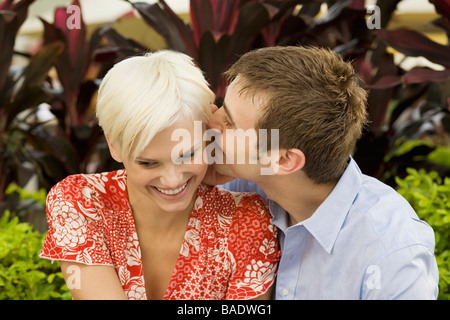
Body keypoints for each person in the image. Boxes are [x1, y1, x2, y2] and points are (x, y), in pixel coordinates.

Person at [40, 50, 280, 300]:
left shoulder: (248, 219)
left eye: (188, 155)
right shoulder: (82, 201)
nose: (173, 180)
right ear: (114, 146)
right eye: (148, 163)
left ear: (208, 134)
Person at [207, 45, 439, 299]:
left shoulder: (392, 256)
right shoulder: (236, 185)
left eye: (229, 123)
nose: (211, 121)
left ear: (284, 160)